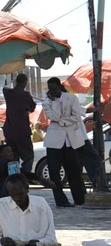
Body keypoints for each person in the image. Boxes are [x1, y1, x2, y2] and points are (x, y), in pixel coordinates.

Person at [42, 77, 86, 207]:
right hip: (54, 142)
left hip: (71, 141)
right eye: (50, 90)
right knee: (54, 174)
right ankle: (61, 201)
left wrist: (62, 121)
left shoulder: (72, 98)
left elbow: (77, 116)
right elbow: (52, 117)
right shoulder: (47, 102)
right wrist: (54, 102)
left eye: (54, 89)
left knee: (74, 171)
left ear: (59, 86)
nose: (52, 92)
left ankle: (79, 199)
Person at [0, 144, 55, 210]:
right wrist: (42, 179)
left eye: (11, 151)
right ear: (1, 154)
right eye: (8, 152)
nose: (11, 153)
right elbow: (22, 173)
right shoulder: (5, 162)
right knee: (17, 181)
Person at [2, 73, 36, 171]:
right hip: (22, 131)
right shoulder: (26, 95)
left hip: (10, 131)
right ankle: (24, 176)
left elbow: (4, 88)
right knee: (29, 157)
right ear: (25, 82)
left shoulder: (8, 93)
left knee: (12, 158)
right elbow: (32, 108)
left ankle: (14, 177)